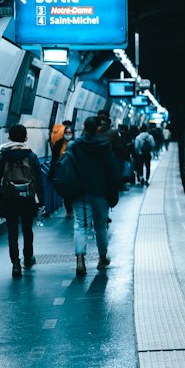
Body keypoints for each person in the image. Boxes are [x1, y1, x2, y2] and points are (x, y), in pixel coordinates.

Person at [53, 115, 120, 276]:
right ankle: (102, 258)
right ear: (98, 129)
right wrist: (113, 192)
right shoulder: (104, 146)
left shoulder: (74, 146)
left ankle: (80, 260)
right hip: (101, 193)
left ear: (83, 127)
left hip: (80, 192)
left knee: (80, 226)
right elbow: (111, 171)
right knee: (100, 227)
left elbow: (67, 167)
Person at [0, 123, 46, 277]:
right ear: (25, 137)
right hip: (27, 199)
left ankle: (15, 263)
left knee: (12, 232)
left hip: (9, 199)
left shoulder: (3, 157)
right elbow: (39, 180)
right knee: (27, 229)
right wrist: (41, 202)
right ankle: (28, 258)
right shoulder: (31, 156)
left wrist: (4, 193)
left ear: (9, 137)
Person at [50, 120, 74, 217]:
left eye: (69, 133)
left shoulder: (75, 144)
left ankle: (71, 209)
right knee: (66, 193)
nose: (67, 135)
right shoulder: (59, 144)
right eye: (66, 133)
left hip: (72, 171)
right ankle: (69, 210)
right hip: (62, 172)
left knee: (72, 191)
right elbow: (54, 158)